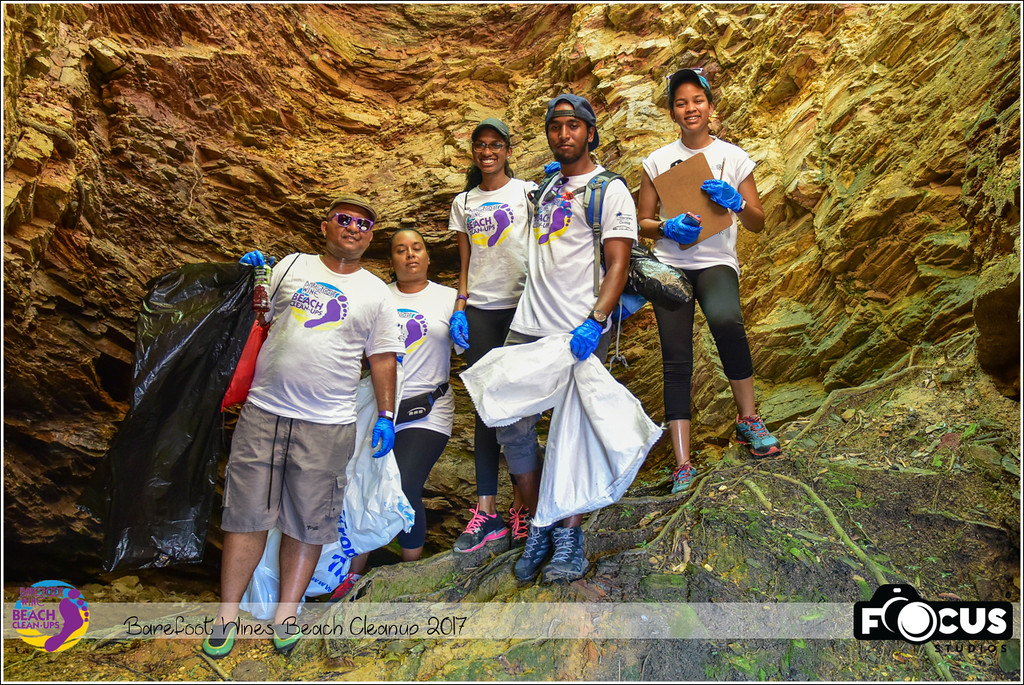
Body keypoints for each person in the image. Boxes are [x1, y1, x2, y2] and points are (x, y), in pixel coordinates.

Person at [202, 194, 403, 658]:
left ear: (371, 237)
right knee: (244, 515)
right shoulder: (291, 266)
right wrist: (248, 277)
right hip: (264, 411)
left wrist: (387, 415)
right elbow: (254, 317)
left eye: (364, 223)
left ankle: (286, 614)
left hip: (328, 423)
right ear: (324, 226)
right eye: (344, 218)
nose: (354, 227)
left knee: (309, 523)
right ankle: (226, 616)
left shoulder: (377, 293)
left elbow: (383, 358)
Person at [499, 94, 637, 584]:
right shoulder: (546, 187)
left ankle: (569, 534)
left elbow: (617, 261)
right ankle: (540, 520)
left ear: (590, 132)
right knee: (512, 425)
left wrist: (596, 320)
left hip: (578, 328)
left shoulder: (610, 190)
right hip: (528, 326)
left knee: (573, 434)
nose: (563, 133)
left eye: (573, 125)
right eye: (555, 125)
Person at [636, 67, 781, 495]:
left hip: (717, 260)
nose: (690, 108)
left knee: (726, 320)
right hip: (671, 263)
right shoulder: (657, 160)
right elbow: (642, 222)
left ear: (710, 106)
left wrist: (736, 202)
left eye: (697, 100)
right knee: (675, 355)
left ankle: (748, 420)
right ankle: (683, 463)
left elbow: (757, 221)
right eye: (681, 103)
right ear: (672, 112)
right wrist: (666, 227)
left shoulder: (733, 157)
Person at [328, 228, 458, 599]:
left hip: (427, 408)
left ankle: (409, 573)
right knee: (362, 482)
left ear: (429, 257)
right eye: (400, 250)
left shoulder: (449, 299)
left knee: (402, 486)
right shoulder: (379, 296)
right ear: (392, 261)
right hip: (379, 404)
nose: (410, 255)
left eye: (417, 248)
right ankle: (353, 574)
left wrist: (466, 336)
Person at [447, 118, 537, 552]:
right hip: (481, 310)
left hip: (523, 307)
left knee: (520, 409)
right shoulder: (463, 201)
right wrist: (460, 305)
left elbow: (545, 242)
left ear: (507, 150)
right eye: (481, 145)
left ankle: (524, 508)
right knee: (485, 410)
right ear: (474, 151)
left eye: (496, 145)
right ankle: (488, 512)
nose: (488, 152)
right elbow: (465, 261)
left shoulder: (527, 191)